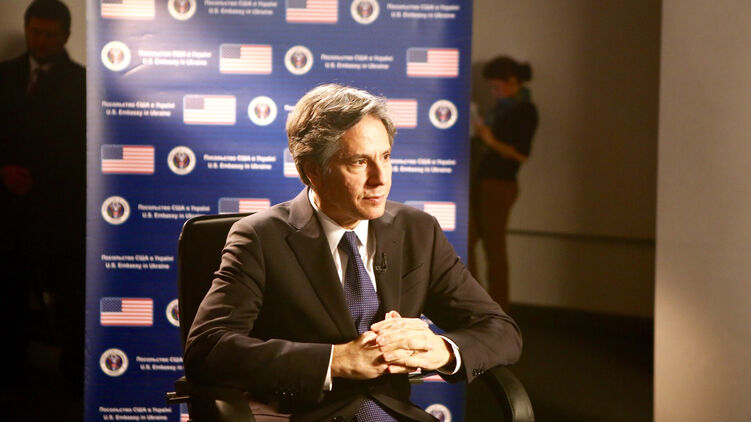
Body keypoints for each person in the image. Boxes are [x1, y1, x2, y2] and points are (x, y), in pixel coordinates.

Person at [185, 84, 522, 421]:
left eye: (385, 157)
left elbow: (500, 329)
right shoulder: (259, 238)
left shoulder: (418, 230)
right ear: (312, 170)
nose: (380, 179)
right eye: (359, 162)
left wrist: (440, 349)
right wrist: (336, 360)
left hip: (394, 412)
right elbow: (207, 347)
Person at [0, 0, 85, 391]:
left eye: (50, 34)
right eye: (35, 31)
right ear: (26, 28)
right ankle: (11, 373)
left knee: (70, 299)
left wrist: (40, 178)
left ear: (66, 35)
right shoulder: (4, 75)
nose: (41, 40)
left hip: (60, 213)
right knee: (8, 297)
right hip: (8, 211)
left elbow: (82, 151)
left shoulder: (84, 84)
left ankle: (75, 379)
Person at [468, 56, 539, 313]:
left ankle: (498, 311)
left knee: (494, 248)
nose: (494, 92)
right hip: (481, 182)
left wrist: (489, 139)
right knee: (467, 240)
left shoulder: (525, 110)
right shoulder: (501, 109)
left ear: (512, 81)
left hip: (500, 185)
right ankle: (476, 304)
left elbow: (521, 155)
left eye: (497, 87)